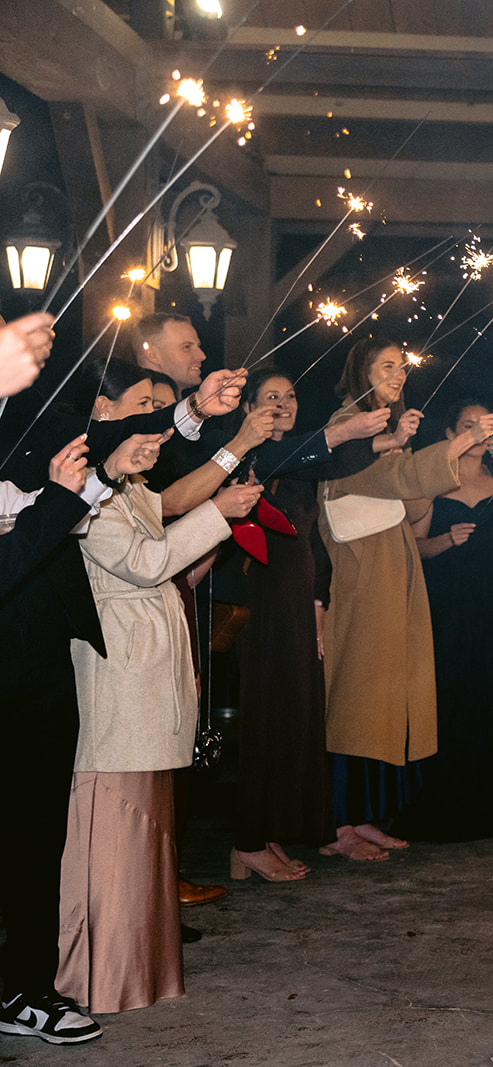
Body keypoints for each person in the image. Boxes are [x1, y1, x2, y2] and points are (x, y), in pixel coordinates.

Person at [0, 349, 239, 1047]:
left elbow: (104, 436)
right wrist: (76, 492)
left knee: (38, 835)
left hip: (43, 661)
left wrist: (191, 412)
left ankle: (26, 989)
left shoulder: (29, 420)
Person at [59, 361, 263, 1015]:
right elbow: (146, 561)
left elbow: (172, 505)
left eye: (159, 406)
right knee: (116, 831)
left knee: (147, 833)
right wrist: (218, 515)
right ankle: (100, 973)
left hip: (144, 665)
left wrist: (234, 456)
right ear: (102, 409)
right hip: (116, 670)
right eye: (142, 404)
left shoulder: (126, 481)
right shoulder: (79, 484)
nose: (154, 419)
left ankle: (137, 969)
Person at [319, 337, 493, 861]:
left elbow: (412, 499)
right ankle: (337, 824)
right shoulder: (348, 423)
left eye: (402, 366)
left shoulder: (389, 430)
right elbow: (391, 479)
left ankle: (363, 814)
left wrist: (415, 458)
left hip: (393, 571)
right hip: (362, 576)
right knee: (356, 701)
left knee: (382, 701)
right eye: (386, 366)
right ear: (362, 371)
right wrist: (457, 446)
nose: (398, 374)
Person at [229, 368, 389, 882]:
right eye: (270, 396)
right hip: (260, 604)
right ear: (247, 407)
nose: (284, 403)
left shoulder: (300, 463)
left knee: (294, 718)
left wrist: (319, 601)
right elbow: (316, 453)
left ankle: (270, 831)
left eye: (291, 395)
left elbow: (314, 537)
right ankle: (247, 841)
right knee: (265, 719)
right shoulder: (245, 456)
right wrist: (351, 432)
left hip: (296, 605)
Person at [400, 401, 493, 842]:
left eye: (484, 425)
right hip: (447, 601)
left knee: (492, 691)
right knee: (451, 694)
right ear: (451, 433)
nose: (478, 433)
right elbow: (414, 546)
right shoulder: (436, 480)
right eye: (467, 425)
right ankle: (448, 806)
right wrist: (446, 541)